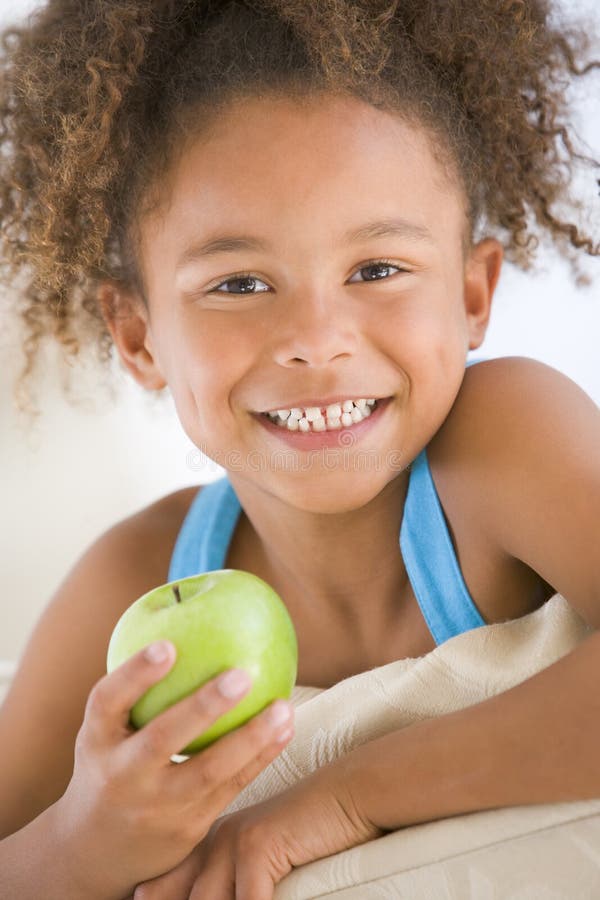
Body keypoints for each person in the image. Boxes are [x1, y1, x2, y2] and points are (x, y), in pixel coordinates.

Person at [0, 0, 599, 897]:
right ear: (137, 335)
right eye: (239, 283)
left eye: (377, 270)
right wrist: (88, 837)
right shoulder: (134, 582)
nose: (317, 340)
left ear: (474, 295)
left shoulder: (502, 440)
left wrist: (344, 798)